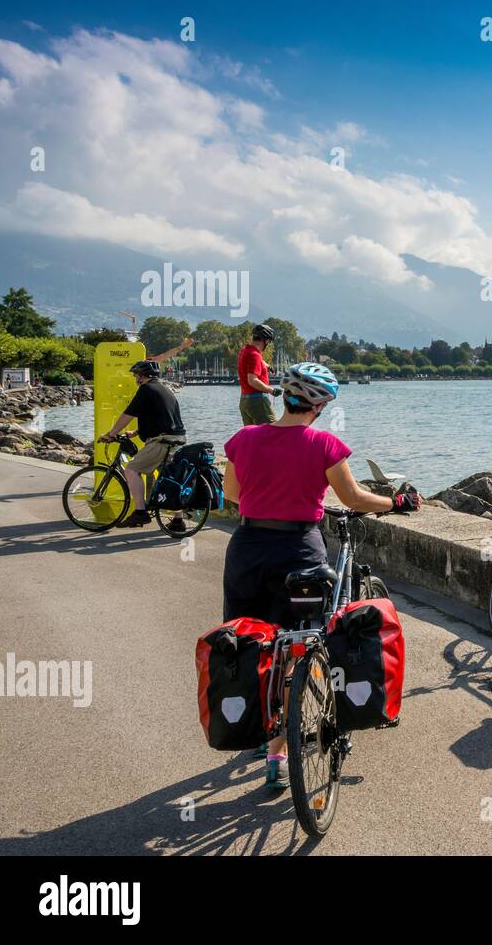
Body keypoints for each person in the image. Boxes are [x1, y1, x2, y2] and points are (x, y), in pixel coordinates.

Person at [221, 362, 420, 789]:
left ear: (286, 397)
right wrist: (397, 502)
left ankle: (258, 728)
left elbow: (233, 495)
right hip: (299, 550)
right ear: (320, 404)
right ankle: (279, 753)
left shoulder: (244, 439)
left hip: (248, 550)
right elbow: (352, 497)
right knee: (299, 644)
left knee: (251, 640)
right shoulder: (324, 444)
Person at [97, 360, 188, 531]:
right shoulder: (164, 389)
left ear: (142, 376)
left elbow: (127, 415)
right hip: (177, 439)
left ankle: (140, 512)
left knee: (131, 470)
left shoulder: (146, 390)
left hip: (162, 441)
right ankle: (178, 520)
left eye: (136, 375)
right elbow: (162, 417)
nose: (135, 378)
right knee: (167, 479)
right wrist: (135, 433)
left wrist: (111, 434)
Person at [237, 324, 282, 425]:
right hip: (257, 401)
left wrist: (267, 365)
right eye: (269, 341)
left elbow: (254, 360)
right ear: (265, 341)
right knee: (274, 433)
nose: (268, 344)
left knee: (253, 437)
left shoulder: (245, 350)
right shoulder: (255, 355)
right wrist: (272, 390)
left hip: (245, 401)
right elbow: (252, 380)